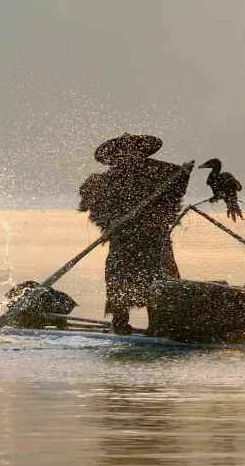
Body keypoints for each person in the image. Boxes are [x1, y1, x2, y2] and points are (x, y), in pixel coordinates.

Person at [78, 133, 190, 334]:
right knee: (118, 278)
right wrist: (114, 219)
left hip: (154, 237)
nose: (128, 154)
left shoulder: (158, 171)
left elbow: (177, 187)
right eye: (121, 152)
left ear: (140, 151)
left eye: (132, 150)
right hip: (124, 238)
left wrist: (184, 172)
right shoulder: (108, 180)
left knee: (158, 279)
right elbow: (90, 202)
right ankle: (120, 323)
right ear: (115, 156)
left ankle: (157, 325)